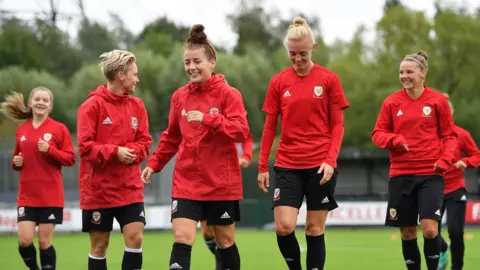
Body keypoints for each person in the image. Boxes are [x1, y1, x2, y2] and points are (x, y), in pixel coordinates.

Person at [141, 24, 249, 270]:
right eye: (187, 62)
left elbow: (241, 130)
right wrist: (154, 164)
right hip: (186, 182)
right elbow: (171, 137)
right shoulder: (179, 96)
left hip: (221, 183)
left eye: (196, 61)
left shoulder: (229, 94)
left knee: (225, 241)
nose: (191, 67)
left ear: (212, 62)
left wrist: (208, 119)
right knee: (182, 237)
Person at [257, 17, 350, 270]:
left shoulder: (329, 79)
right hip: (288, 164)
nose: (297, 59)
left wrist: (330, 160)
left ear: (314, 48)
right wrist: (263, 165)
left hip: (320, 165)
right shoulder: (278, 82)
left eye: (303, 54)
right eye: (292, 54)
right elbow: (269, 126)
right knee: (284, 226)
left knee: (313, 228)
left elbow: (338, 125)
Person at [372, 50, 457, 270]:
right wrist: (395, 139)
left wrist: (445, 160)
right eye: (401, 72)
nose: (404, 76)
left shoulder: (437, 101)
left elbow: (449, 136)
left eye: (409, 71)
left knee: (430, 229)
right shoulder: (391, 102)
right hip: (400, 174)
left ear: (423, 73)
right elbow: (377, 134)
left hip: (431, 173)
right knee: (408, 232)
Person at [77, 49, 153, 270]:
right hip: (98, 191)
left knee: (136, 238)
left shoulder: (137, 105)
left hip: (130, 187)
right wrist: (115, 152)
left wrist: (132, 152)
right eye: (134, 74)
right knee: (100, 245)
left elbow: (145, 141)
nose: (137, 79)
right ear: (121, 75)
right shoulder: (91, 107)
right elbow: (85, 147)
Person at [1, 87, 76, 270]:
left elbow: (71, 158)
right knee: (25, 240)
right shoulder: (22, 130)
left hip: (50, 195)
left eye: (45, 100)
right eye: (37, 99)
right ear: (30, 103)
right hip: (27, 195)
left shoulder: (59, 129)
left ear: (50, 106)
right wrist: (16, 162)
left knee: (44, 241)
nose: (41, 102)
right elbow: (17, 159)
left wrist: (50, 150)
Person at [437, 94, 480, 270]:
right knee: (429, 231)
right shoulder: (428, 136)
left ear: (451, 112)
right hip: (432, 189)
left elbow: (476, 155)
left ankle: (457, 267)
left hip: (455, 189)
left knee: (455, 232)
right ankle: (442, 249)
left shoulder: (461, 134)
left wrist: (466, 162)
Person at [200, 133, 253, 270]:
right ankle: (219, 255)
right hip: (201, 177)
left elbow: (245, 135)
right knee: (207, 232)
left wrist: (246, 156)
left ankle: (223, 258)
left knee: (225, 237)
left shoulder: (232, 112)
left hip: (224, 179)